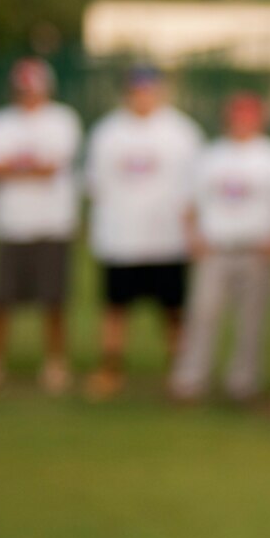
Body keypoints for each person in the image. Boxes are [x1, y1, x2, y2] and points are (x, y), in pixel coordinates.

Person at [83, 66, 204, 398]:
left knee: (174, 310)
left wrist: (192, 233)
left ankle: (180, 373)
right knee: (115, 308)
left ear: (161, 91)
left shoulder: (182, 132)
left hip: (168, 239)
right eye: (137, 89)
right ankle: (110, 369)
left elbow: (194, 189)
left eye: (149, 89)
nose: (143, 96)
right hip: (120, 237)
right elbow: (96, 186)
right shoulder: (107, 132)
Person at [0, 58, 82, 397]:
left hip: (52, 223)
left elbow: (51, 167)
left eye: (33, 88)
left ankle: (56, 363)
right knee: (0, 300)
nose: (28, 95)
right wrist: (26, 167)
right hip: (10, 224)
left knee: (54, 300)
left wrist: (13, 167)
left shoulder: (62, 120)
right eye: (23, 89)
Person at [169, 93, 270, 402]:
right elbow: (188, 202)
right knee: (203, 316)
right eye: (237, 116)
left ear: (260, 119)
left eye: (248, 116)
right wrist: (193, 237)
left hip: (255, 249)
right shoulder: (211, 156)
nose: (242, 122)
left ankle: (244, 381)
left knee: (251, 321)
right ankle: (191, 378)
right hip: (216, 247)